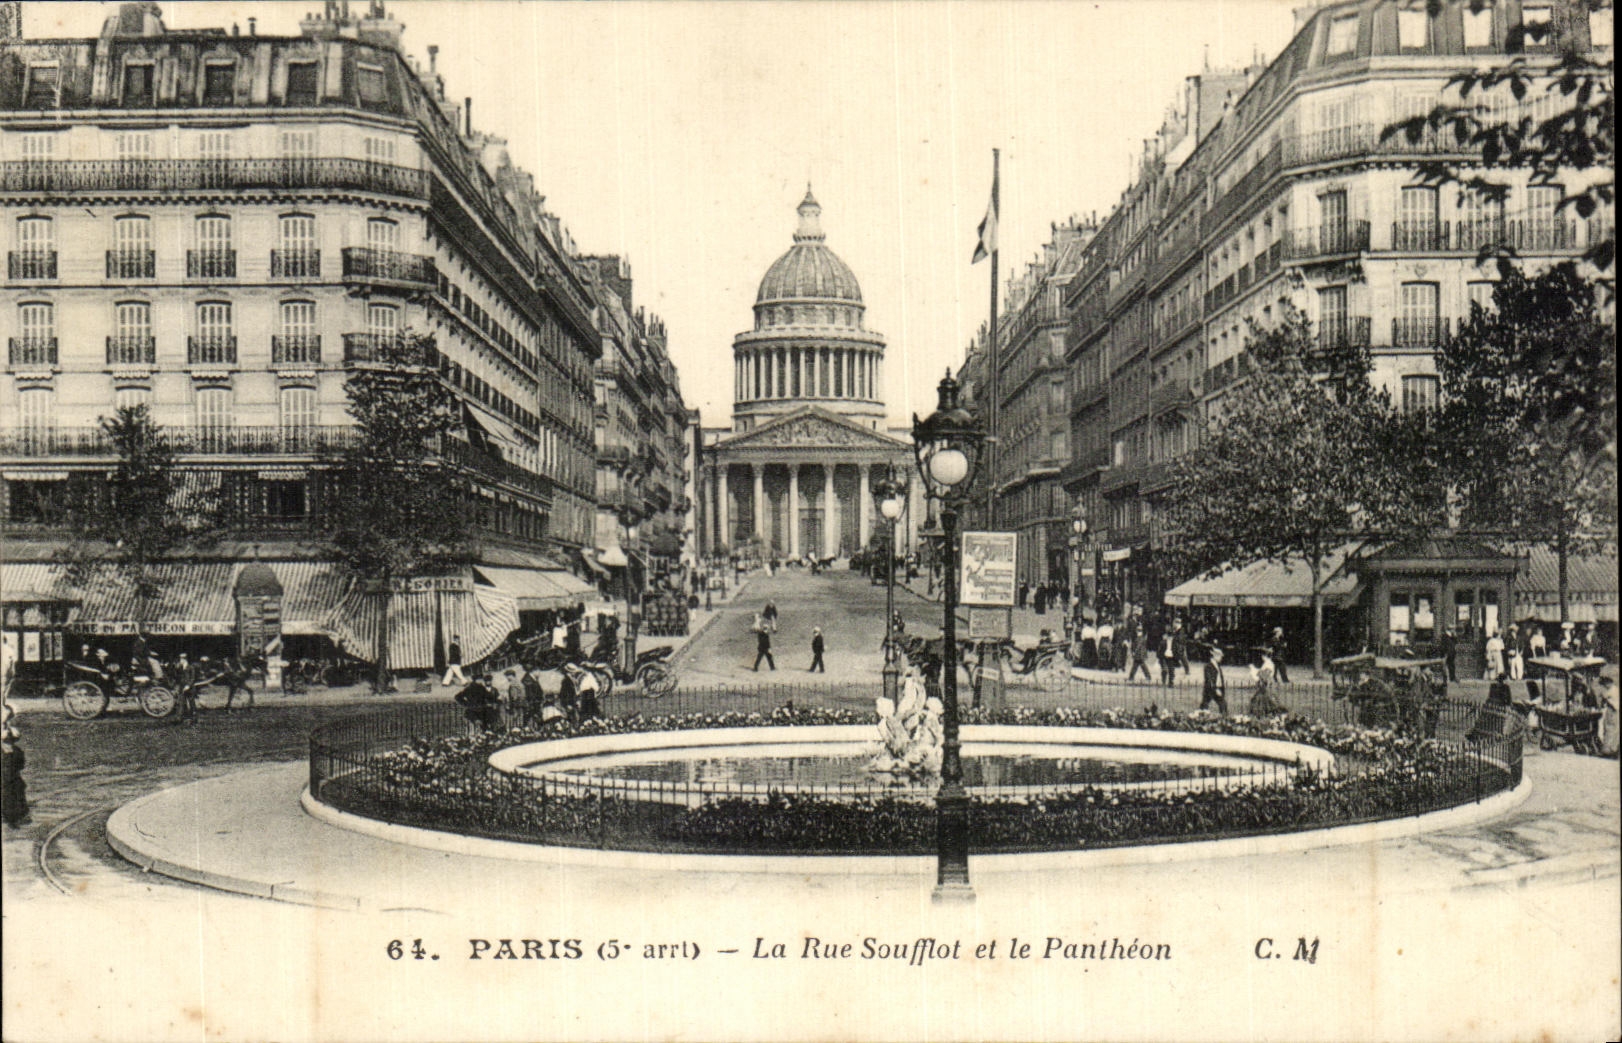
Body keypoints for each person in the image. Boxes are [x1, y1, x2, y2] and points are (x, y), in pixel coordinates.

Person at [2, 703, 28, 829]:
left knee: (16, 788)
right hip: (9, 771)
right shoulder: (15, 750)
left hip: (11, 771)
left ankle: (16, 815)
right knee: (12, 789)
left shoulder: (14, 750)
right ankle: (13, 817)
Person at [1248, 651, 1286, 716]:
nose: (1262, 657)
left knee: (1267, 700)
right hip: (1264, 683)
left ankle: (1268, 713)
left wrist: (1253, 670)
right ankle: (1264, 713)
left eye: (1263, 656)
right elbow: (1262, 673)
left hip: (1266, 684)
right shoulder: (1267, 663)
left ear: (1265, 656)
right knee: (1261, 699)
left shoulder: (1269, 664)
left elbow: (1264, 675)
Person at [172, 651, 199, 725]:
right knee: (181, 703)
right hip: (182, 687)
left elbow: (192, 678)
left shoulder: (191, 667)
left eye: (181, 659)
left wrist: (188, 685)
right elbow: (177, 677)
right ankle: (179, 719)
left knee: (191, 703)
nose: (180, 660)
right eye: (180, 659)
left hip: (190, 688)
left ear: (185, 659)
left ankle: (194, 718)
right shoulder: (180, 667)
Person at [1200, 646, 1228, 715]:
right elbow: (1209, 679)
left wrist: (1220, 688)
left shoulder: (1217, 666)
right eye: (1220, 656)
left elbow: (1220, 678)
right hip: (1210, 689)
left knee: (1223, 704)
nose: (1221, 658)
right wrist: (1215, 689)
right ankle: (1200, 717)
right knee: (1204, 705)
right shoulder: (1208, 666)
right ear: (1215, 656)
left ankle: (1224, 717)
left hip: (1217, 688)